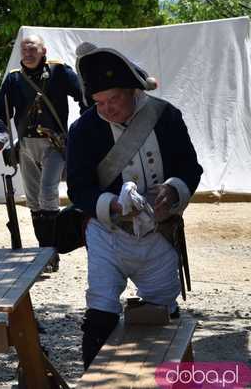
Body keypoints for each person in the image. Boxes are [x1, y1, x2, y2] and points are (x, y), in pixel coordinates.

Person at [67, 42, 203, 369]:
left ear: (132, 91)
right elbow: (79, 189)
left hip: (159, 234)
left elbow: (190, 167)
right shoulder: (83, 130)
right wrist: (111, 205)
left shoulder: (165, 116)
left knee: (162, 315)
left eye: (114, 99)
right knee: (99, 312)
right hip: (108, 236)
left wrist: (173, 192)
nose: (107, 109)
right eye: (99, 102)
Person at [0, 34, 87, 271]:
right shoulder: (13, 79)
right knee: (33, 200)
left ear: (43, 51)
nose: (27, 53)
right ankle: (44, 253)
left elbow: (84, 98)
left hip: (54, 144)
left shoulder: (59, 72)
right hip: (26, 146)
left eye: (32, 49)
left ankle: (51, 253)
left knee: (47, 194)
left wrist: (85, 128)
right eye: (24, 49)